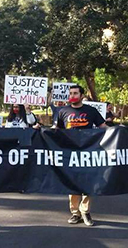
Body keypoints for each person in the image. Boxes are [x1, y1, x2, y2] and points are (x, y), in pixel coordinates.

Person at [54, 85, 107, 226]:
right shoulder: (63, 111)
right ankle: (75, 213)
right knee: (72, 182)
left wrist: (119, 132)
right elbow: (56, 130)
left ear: (82, 95)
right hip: (70, 152)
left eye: (75, 93)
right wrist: (40, 131)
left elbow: (104, 128)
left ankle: (85, 212)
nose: (72, 95)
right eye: (71, 93)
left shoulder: (91, 111)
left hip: (88, 152)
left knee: (87, 182)